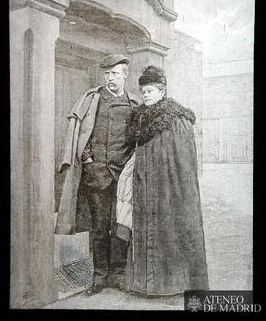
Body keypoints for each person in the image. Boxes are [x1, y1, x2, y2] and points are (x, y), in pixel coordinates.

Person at [117, 65, 209, 295]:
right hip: (143, 185)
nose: (146, 94)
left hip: (168, 189)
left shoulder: (176, 117)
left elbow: (182, 162)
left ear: (162, 91)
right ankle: (143, 285)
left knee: (169, 232)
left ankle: (172, 285)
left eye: (151, 90)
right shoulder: (139, 118)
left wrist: (164, 177)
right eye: (144, 90)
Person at [55, 53, 141, 296]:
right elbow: (82, 133)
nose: (110, 78)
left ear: (125, 75)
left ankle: (119, 274)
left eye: (114, 73)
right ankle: (100, 277)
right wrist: (88, 159)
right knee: (101, 229)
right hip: (97, 175)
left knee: (122, 226)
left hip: (123, 176)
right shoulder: (92, 99)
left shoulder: (134, 104)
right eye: (107, 73)